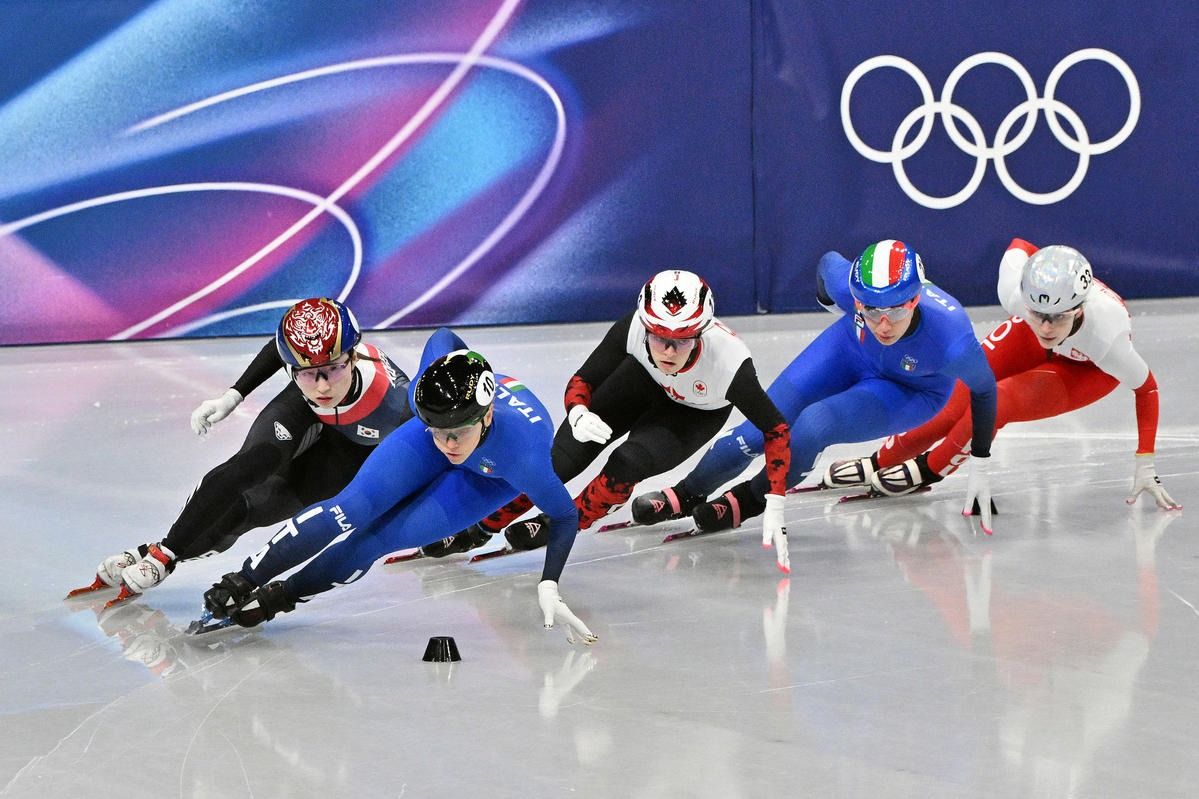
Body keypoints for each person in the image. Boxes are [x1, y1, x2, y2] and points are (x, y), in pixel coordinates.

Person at [200, 328, 596, 643]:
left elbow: (565, 516)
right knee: (351, 507)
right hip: (443, 429)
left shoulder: (524, 458)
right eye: (438, 431)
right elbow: (443, 336)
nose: (447, 445)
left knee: (377, 540)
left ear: (487, 416)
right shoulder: (432, 403)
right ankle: (244, 579)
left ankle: (282, 597)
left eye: (456, 434)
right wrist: (442, 411)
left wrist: (549, 583)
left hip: (489, 477)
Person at [421, 270, 793, 572]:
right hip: (641, 381)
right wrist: (578, 411)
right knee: (556, 461)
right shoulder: (633, 328)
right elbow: (584, 379)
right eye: (658, 336)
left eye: (681, 340)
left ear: (701, 334)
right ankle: (481, 525)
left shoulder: (730, 364)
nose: (667, 350)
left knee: (626, 463)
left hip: (693, 412)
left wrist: (774, 498)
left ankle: (566, 521)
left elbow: (775, 429)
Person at [633, 240, 999, 543]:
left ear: (915, 300)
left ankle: (749, 499)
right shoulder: (848, 288)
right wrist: (830, 300)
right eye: (871, 311)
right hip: (850, 349)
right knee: (758, 428)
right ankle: (686, 493)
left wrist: (980, 463)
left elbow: (984, 392)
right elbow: (828, 262)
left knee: (813, 426)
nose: (884, 325)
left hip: (911, 389)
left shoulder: (951, 338)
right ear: (857, 299)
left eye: (896, 313)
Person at [74, 298, 412, 603]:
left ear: (353, 357)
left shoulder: (396, 403)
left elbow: (428, 453)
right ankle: (164, 553)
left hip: (350, 450)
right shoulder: (308, 364)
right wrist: (233, 395)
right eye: (308, 373)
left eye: (332, 369)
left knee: (253, 512)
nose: (323, 386)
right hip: (302, 410)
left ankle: (153, 552)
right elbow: (277, 349)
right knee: (248, 467)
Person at [824, 239, 1181, 513]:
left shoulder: (1106, 340)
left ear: (1078, 310)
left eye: (1057, 317)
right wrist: (1042, 267)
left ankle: (928, 469)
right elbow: (1020, 245)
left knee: (1002, 399)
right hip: (1033, 333)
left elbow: (1147, 389)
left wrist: (1145, 462)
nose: (1046, 327)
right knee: (959, 387)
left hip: (1086, 369)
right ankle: (880, 460)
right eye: (1038, 313)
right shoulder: (1016, 295)